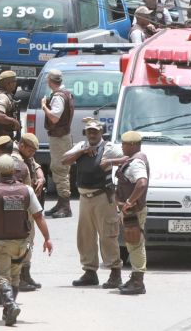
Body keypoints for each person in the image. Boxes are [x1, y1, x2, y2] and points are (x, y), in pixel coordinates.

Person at [0, 154, 53, 327]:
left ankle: (10, 304)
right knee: (15, 277)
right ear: (14, 170)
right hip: (21, 244)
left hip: (1, 243)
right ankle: (9, 313)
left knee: (0, 276)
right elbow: (39, 216)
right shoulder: (27, 190)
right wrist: (47, 239)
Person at [62, 118, 123, 289]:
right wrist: (82, 152)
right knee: (85, 236)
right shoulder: (82, 146)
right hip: (84, 198)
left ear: (101, 132)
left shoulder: (109, 148)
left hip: (103, 197)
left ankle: (115, 273)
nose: (92, 134)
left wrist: (110, 162)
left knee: (107, 236)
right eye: (89, 131)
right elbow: (64, 160)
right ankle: (90, 272)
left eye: (95, 131)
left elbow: (127, 158)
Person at [101, 130, 149, 295]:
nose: (122, 147)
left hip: (133, 211)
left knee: (135, 244)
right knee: (132, 242)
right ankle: (135, 277)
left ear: (133, 145)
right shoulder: (132, 159)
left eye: (125, 144)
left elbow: (141, 183)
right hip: (129, 211)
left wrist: (129, 201)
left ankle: (138, 281)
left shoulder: (136, 163)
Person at [41, 69, 75, 219]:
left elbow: (54, 117)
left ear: (50, 81)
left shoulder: (59, 97)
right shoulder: (64, 93)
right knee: (59, 169)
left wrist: (44, 107)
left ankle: (65, 206)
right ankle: (61, 203)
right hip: (61, 137)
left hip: (60, 138)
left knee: (60, 170)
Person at [0, 70, 21, 147]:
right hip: (0, 138)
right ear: (8, 83)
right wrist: (14, 121)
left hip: (1, 136)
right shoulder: (2, 97)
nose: (16, 83)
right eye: (14, 81)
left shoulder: (1, 93)